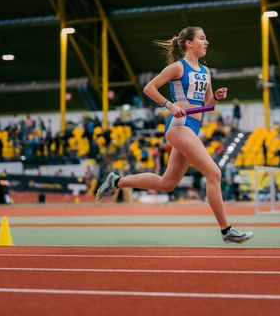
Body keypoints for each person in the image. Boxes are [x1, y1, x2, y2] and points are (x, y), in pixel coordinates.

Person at [95, 27, 253, 244]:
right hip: (179, 126)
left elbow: (207, 107)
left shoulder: (206, 72)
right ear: (189, 43)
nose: (206, 42)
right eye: (202, 38)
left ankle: (117, 181)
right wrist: (169, 106)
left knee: (167, 183)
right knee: (214, 173)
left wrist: (216, 97)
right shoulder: (178, 67)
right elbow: (149, 88)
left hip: (193, 127)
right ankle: (226, 229)